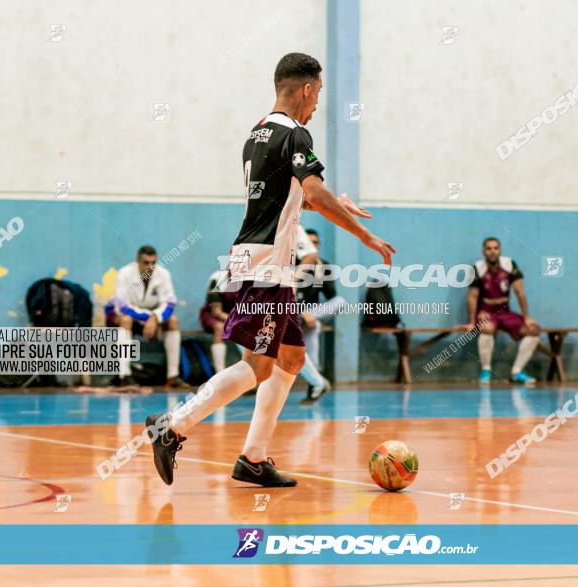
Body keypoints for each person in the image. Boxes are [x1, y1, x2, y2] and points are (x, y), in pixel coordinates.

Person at [145, 52, 394, 488]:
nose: (318, 103)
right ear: (307, 89)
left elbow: (294, 196)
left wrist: (330, 200)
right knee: (259, 366)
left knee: (291, 359)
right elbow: (313, 194)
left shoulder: (258, 133)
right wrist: (362, 235)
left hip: (259, 259)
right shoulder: (297, 133)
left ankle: (253, 459)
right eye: (318, 93)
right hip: (267, 264)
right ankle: (173, 425)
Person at [107, 245, 189, 389]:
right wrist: (149, 317)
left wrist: (155, 318)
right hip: (123, 316)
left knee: (173, 322)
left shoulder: (163, 274)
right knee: (125, 320)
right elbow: (122, 306)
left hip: (150, 319)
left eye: (153, 262)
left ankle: (173, 376)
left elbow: (169, 304)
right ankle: (124, 375)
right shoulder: (124, 273)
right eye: (146, 263)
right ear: (138, 262)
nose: (150, 266)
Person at [463, 237, 541, 385]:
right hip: (485, 312)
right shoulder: (477, 269)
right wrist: (472, 322)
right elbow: (472, 297)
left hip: (505, 312)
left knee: (533, 330)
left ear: (500, 250)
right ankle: (486, 371)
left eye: (495, 248)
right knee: (486, 328)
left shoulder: (510, 265)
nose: (492, 252)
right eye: (489, 248)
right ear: (483, 251)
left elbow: (519, 292)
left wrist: (527, 317)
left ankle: (516, 372)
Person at [297, 228, 345, 402]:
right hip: (292, 313)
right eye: (309, 243)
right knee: (314, 330)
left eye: (315, 243)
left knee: (340, 302)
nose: (313, 246)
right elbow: (289, 295)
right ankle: (315, 384)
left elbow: (332, 296)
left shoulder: (323, 265)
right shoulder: (295, 263)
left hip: (312, 315)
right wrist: (302, 313)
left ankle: (314, 384)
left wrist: (322, 273)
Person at [200, 269, 237, 371]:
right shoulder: (216, 279)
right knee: (220, 327)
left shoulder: (251, 281)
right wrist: (237, 321)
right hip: (211, 316)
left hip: (235, 317)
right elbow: (217, 312)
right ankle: (219, 372)